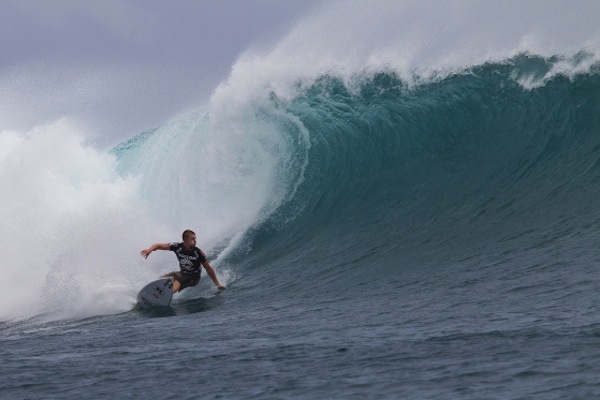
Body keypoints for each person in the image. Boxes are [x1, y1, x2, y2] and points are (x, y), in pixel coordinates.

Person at [141, 229, 226, 293]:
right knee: (163, 278)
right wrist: (149, 250)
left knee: (177, 281)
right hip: (183, 273)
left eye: (195, 239)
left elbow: (208, 269)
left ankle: (165, 294)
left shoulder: (198, 252)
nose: (195, 241)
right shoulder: (177, 246)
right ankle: (153, 292)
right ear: (185, 240)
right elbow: (159, 245)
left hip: (194, 277)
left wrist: (217, 284)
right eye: (192, 239)